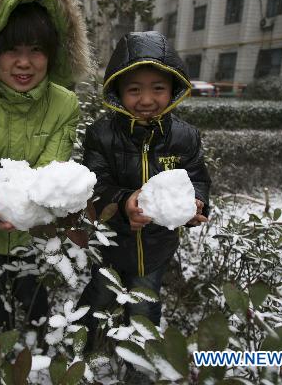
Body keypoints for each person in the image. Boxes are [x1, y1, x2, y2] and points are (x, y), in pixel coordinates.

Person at [0, 0, 93, 335]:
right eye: (12, 50)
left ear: (53, 53)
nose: (24, 62)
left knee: (34, 298)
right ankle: (1, 350)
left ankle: (39, 348)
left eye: (36, 50)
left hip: (34, 234)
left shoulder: (64, 105)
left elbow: (51, 166)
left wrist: (27, 209)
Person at [77, 31, 211, 345]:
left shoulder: (185, 137)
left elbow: (198, 179)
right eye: (134, 89)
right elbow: (94, 184)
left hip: (156, 246)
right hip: (111, 242)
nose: (147, 99)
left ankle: (140, 357)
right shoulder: (101, 135)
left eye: (158, 88)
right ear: (117, 92)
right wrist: (124, 203)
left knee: (144, 302)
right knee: (99, 294)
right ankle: (82, 343)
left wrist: (197, 203)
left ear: (173, 89)